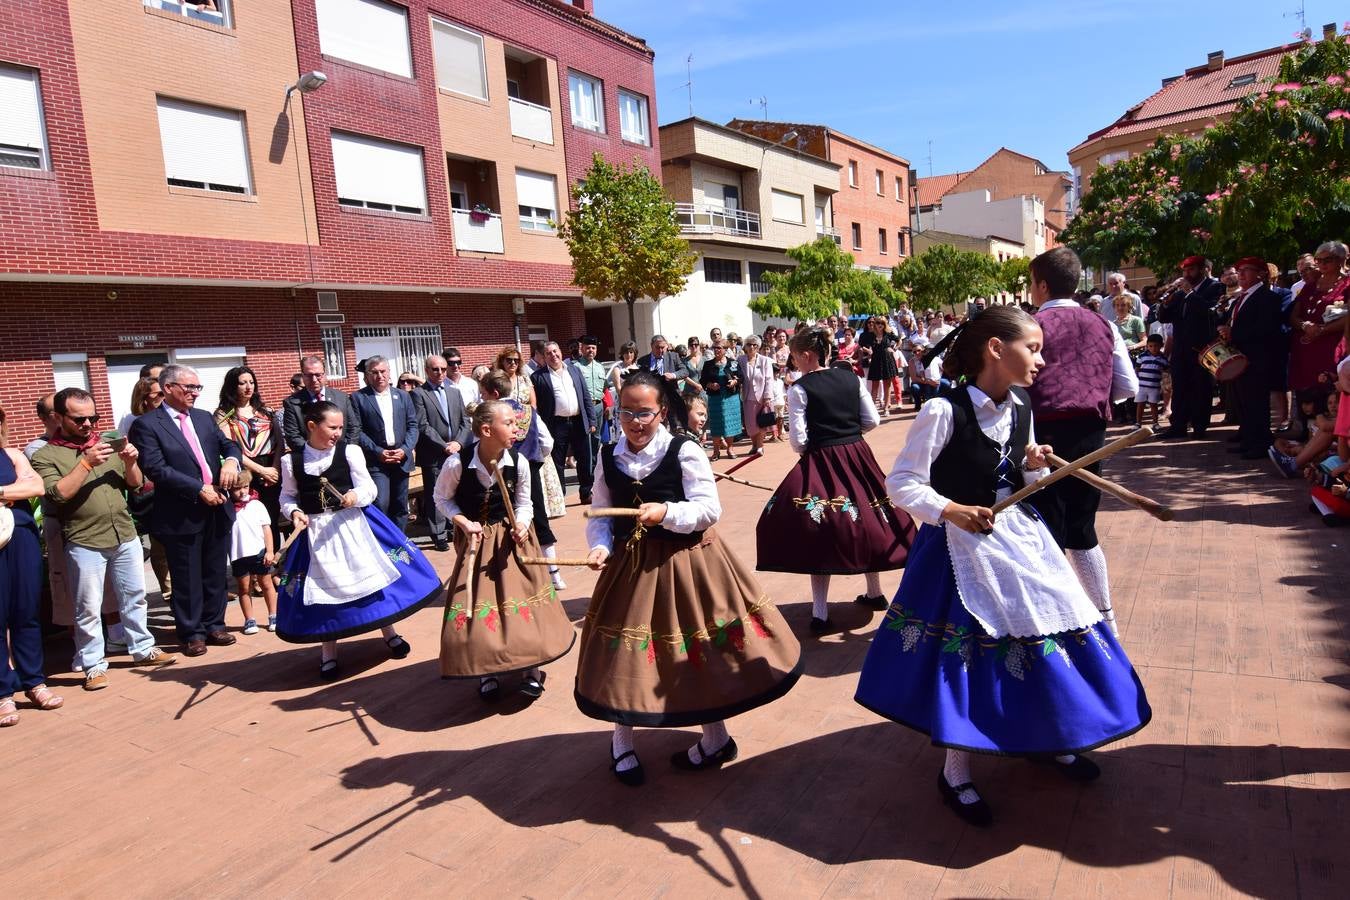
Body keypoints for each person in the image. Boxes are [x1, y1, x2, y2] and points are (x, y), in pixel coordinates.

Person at [856, 305, 1152, 827]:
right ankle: (955, 771)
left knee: (1047, 631)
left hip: (1019, 540)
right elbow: (902, 483)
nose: (1042, 359)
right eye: (1033, 348)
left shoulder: (1020, 404)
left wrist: (1029, 458)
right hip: (958, 549)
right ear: (997, 349)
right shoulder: (943, 411)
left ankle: (1050, 738)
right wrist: (949, 509)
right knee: (970, 654)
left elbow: (1012, 468)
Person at [577, 370, 802, 786]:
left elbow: (707, 509)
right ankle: (621, 741)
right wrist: (601, 547)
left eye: (644, 412)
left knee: (699, 653)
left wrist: (668, 512)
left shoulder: (684, 450)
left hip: (688, 562)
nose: (634, 421)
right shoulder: (608, 454)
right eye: (626, 412)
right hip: (631, 567)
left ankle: (716, 739)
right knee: (622, 656)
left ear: (662, 411)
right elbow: (601, 512)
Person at [756, 327, 916, 632]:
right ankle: (875, 592)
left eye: (793, 357)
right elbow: (873, 420)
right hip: (857, 453)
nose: (793, 363)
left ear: (806, 355)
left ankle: (820, 613)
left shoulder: (799, 389)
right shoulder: (852, 378)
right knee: (869, 516)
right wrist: (849, 436)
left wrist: (824, 443)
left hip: (822, 458)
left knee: (821, 525)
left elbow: (798, 441)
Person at [277, 402, 441, 679]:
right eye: (332, 427)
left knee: (370, 579)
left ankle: (390, 632)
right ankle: (328, 652)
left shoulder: (349, 451)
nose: (338, 433)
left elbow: (369, 487)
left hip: (352, 525)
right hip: (317, 535)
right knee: (323, 593)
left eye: (341, 427)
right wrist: (293, 512)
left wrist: (355, 496)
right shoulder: (291, 461)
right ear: (312, 426)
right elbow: (287, 496)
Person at [1025, 247, 1138, 636]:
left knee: (1045, 528)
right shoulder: (1103, 324)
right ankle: (1105, 617)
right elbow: (1128, 386)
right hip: (1091, 434)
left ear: (1041, 285)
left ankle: (1056, 618)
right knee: (1082, 526)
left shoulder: (1030, 326)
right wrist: (1091, 395)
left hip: (1039, 437)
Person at [33, 388, 178, 690]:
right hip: (84, 540)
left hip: (124, 533)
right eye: (79, 419)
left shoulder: (107, 443)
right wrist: (85, 463)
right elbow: (57, 494)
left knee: (134, 596)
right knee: (87, 606)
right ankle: (93, 665)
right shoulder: (46, 454)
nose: (88, 425)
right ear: (59, 418)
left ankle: (142, 647)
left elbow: (136, 484)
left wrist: (129, 461)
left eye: (93, 418)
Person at [435, 400, 575, 701]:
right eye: (509, 423)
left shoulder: (518, 462)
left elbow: (525, 503)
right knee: (482, 605)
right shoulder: (457, 464)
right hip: (476, 543)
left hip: (513, 542)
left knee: (523, 603)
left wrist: (523, 524)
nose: (517, 428)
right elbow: (441, 500)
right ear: (486, 430)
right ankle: (487, 668)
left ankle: (532, 670)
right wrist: (462, 522)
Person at [129, 365, 244, 656]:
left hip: (218, 505)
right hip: (182, 512)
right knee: (187, 576)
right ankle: (192, 632)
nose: (195, 393)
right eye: (189, 387)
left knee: (216, 571)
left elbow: (229, 445)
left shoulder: (204, 418)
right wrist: (197, 488)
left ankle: (215, 624)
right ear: (168, 388)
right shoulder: (147, 425)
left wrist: (231, 462)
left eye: (197, 388)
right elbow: (155, 468)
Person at [1, 402, 64, 726]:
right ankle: (3, 694)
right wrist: (11, 493)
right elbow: (22, 489)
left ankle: (34, 682)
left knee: (26, 613)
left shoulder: (12, 455)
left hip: (20, 538)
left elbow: (35, 486)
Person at [478, 372, 567, 588]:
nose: (482, 399)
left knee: (501, 521)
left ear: (494, 394)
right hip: (530, 470)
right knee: (538, 518)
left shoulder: (488, 417)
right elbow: (547, 442)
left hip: (497, 473)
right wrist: (534, 460)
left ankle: (505, 575)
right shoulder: (529, 411)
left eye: (483, 394)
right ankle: (553, 573)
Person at [1217, 257, 1287, 459]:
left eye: (1246, 270)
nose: (1240, 274)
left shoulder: (1267, 298)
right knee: (1244, 402)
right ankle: (1248, 440)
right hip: (1240, 358)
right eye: (1239, 271)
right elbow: (1232, 322)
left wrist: (1234, 333)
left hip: (1257, 359)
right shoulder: (1241, 297)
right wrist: (1223, 327)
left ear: (1261, 274)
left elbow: (1266, 328)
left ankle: (1260, 444)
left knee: (1256, 403)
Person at [1156, 256, 1223, 438]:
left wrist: (1191, 294)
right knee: (1181, 387)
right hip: (1181, 348)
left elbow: (1210, 311)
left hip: (1202, 348)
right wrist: (1166, 301)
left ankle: (1200, 426)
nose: (1187, 274)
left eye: (1191, 270)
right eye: (1184, 271)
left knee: (1201, 388)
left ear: (1202, 270)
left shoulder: (1214, 287)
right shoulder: (1180, 293)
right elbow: (1164, 318)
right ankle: (1178, 425)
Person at [350, 355, 419, 532]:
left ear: (389, 373)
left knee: (400, 505)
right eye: (374, 372)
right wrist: (378, 451)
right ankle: (383, 543)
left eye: (383, 371)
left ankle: (399, 543)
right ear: (367, 375)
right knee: (381, 503)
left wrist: (405, 449)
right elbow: (357, 430)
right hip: (377, 460)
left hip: (401, 458)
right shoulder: (358, 398)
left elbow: (413, 425)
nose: (379, 376)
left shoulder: (403, 396)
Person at [411, 354, 472, 552]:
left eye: (443, 369)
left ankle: (450, 526)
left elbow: (465, 422)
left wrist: (458, 443)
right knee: (435, 493)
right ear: (427, 371)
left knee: (454, 490)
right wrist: (444, 445)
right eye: (435, 369)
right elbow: (423, 425)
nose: (440, 373)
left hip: (456, 452)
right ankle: (437, 534)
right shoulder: (419, 394)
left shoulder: (454, 392)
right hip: (434, 453)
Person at [122, 377, 171, 603]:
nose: (164, 397)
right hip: (152, 492)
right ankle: (170, 591)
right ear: (144, 400)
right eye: (158, 394)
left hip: (172, 488)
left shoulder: (169, 418)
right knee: (160, 546)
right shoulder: (138, 425)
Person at [214, 366, 282, 531]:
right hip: (244, 469)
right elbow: (229, 447)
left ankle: (274, 554)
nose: (248, 387)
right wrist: (261, 470)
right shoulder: (224, 414)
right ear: (232, 386)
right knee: (249, 519)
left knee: (272, 518)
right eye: (242, 383)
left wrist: (274, 469)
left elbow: (279, 442)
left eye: (251, 382)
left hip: (272, 467)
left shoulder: (266, 411)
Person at [532, 342, 597, 504]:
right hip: (555, 424)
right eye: (548, 353)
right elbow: (537, 406)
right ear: (544, 357)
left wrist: (591, 420)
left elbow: (586, 396)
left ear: (560, 352)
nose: (553, 355)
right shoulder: (538, 377)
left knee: (584, 458)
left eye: (555, 351)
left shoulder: (574, 370)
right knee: (558, 461)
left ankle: (586, 492)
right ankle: (560, 496)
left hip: (578, 421)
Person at [1289, 242, 1350, 396]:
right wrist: (1304, 326)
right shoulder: (1310, 286)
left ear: (1341, 260)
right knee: (1306, 400)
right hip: (1305, 350)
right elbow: (1294, 316)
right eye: (1318, 260)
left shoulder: (1347, 284)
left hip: (1332, 349)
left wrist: (1323, 329)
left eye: (1327, 260)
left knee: (1328, 398)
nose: (1321, 264)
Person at [226, 469, 278, 634]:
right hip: (238, 554)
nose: (242, 491)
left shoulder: (257, 505)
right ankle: (249, 620)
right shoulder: (227, 508)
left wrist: (270, 551)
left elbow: (266, 530)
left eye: (245, 486)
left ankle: (274, 615)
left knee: (267, 584)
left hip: (259, 552)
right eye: (236, 488)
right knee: (243, 587)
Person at [282, 355, 361, 451]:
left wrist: (343, 451)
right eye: (309, 375)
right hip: (311, 459)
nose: (314, 380)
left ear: (325, 374)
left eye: (318, 375)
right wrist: (315, 453)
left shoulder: (342, 398)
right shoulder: (292, 403)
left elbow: (353, 427)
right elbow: (292, 436)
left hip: (341, 456)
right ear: (303, 376)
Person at [571, 335, 608, 486]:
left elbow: (604, 388)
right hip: (584, 409)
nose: (590, 350)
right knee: (585, 443)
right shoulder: (575, 367)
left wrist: (607, 406)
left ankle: (594, 474)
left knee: (596, 440)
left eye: (593, 348)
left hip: (598, 406)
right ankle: (586, 478)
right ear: (582, 349)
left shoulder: (599, 367)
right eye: (587, 348)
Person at [638, 334, 691, 432]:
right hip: (653, 398)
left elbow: (685, 371)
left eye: (663, 347)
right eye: (657, 347)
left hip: (671, 396)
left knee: (676, 426)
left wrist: (673, 375)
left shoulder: (673, 357)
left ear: (666, 346)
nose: (661, 350)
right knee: (656, 427)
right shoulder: (643, 361)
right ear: (651, 346)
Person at [700, 341, 742, 460]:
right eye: (715, 348)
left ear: (725, 349)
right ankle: (716, 451)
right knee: (716, 424)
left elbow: (741, 377)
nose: (716, 350)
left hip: (731, 398)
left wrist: (735, 381)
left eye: (719, 348)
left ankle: (730, 448)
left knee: (730, 424)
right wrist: (710, 384)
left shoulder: (733, 362)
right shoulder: (708, 364)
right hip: (715, 398)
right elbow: (702, 380)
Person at [738, 336, 775, 456]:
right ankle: (754, 444)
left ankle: (759, 446)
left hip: (762, 396)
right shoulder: (740, 360)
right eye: (749, 344)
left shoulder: (765, 360)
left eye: (755, 345)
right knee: (750, 425)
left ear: (758, 347)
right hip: (747, 396)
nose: (752, 347)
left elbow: (769, 378)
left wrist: (768, 396)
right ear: (745, 346)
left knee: (762, 422)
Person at [859, 316, 900, 415]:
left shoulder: (888, 333)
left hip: (887, 359)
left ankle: (886, 408)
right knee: (875, 385)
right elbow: (861, 344)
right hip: (876, 360)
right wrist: (868, 350)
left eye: (882, 323)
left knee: (887, 385)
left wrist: (894, 349)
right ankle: (872, 408)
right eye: (878, 323)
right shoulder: (871, 335)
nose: (880, 325)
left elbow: (899, 340)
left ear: (885, 324)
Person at [1135, 334, 1170, 429]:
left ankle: (1155, 423)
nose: (1153, 348)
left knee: (1153, 405)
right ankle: (1138, 423)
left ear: (1161, 346)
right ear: (1147, 346)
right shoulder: (1142, 356)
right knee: (1140, 404)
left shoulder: (1163, 359)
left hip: (1155, 386)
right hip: (1141, 386)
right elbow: (1137, 368)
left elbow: (1166, 371)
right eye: (1150, 346)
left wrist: (1165, 384)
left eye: (1156, 346)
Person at [441, 347, 480, 411]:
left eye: (458, 362)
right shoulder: (441, 385)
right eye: (451, 363)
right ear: (444, 364)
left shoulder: (471, 384)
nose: (456, 366)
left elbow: (477, 405)